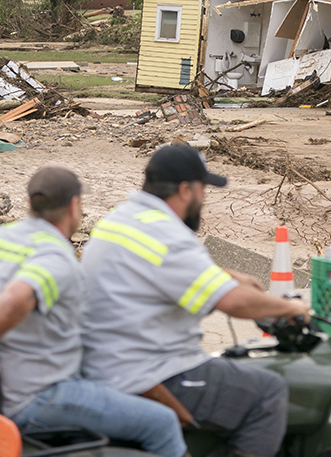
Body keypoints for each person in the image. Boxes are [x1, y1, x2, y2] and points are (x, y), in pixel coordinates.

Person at [0, 165, 187, 457]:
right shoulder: (56, 258)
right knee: (163, 422)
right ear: (74, 206)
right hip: (36, 397)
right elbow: (15, 298)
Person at [80, 144, 310, 457]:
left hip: (104, 362)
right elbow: (234, 303)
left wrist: (225, 274)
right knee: (268, 392)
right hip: (149, 371)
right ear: (186, 190)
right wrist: (293, 307)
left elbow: (160, 267)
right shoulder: (169, 235)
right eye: (203, 189)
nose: (204, 199)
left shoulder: (123, 218)